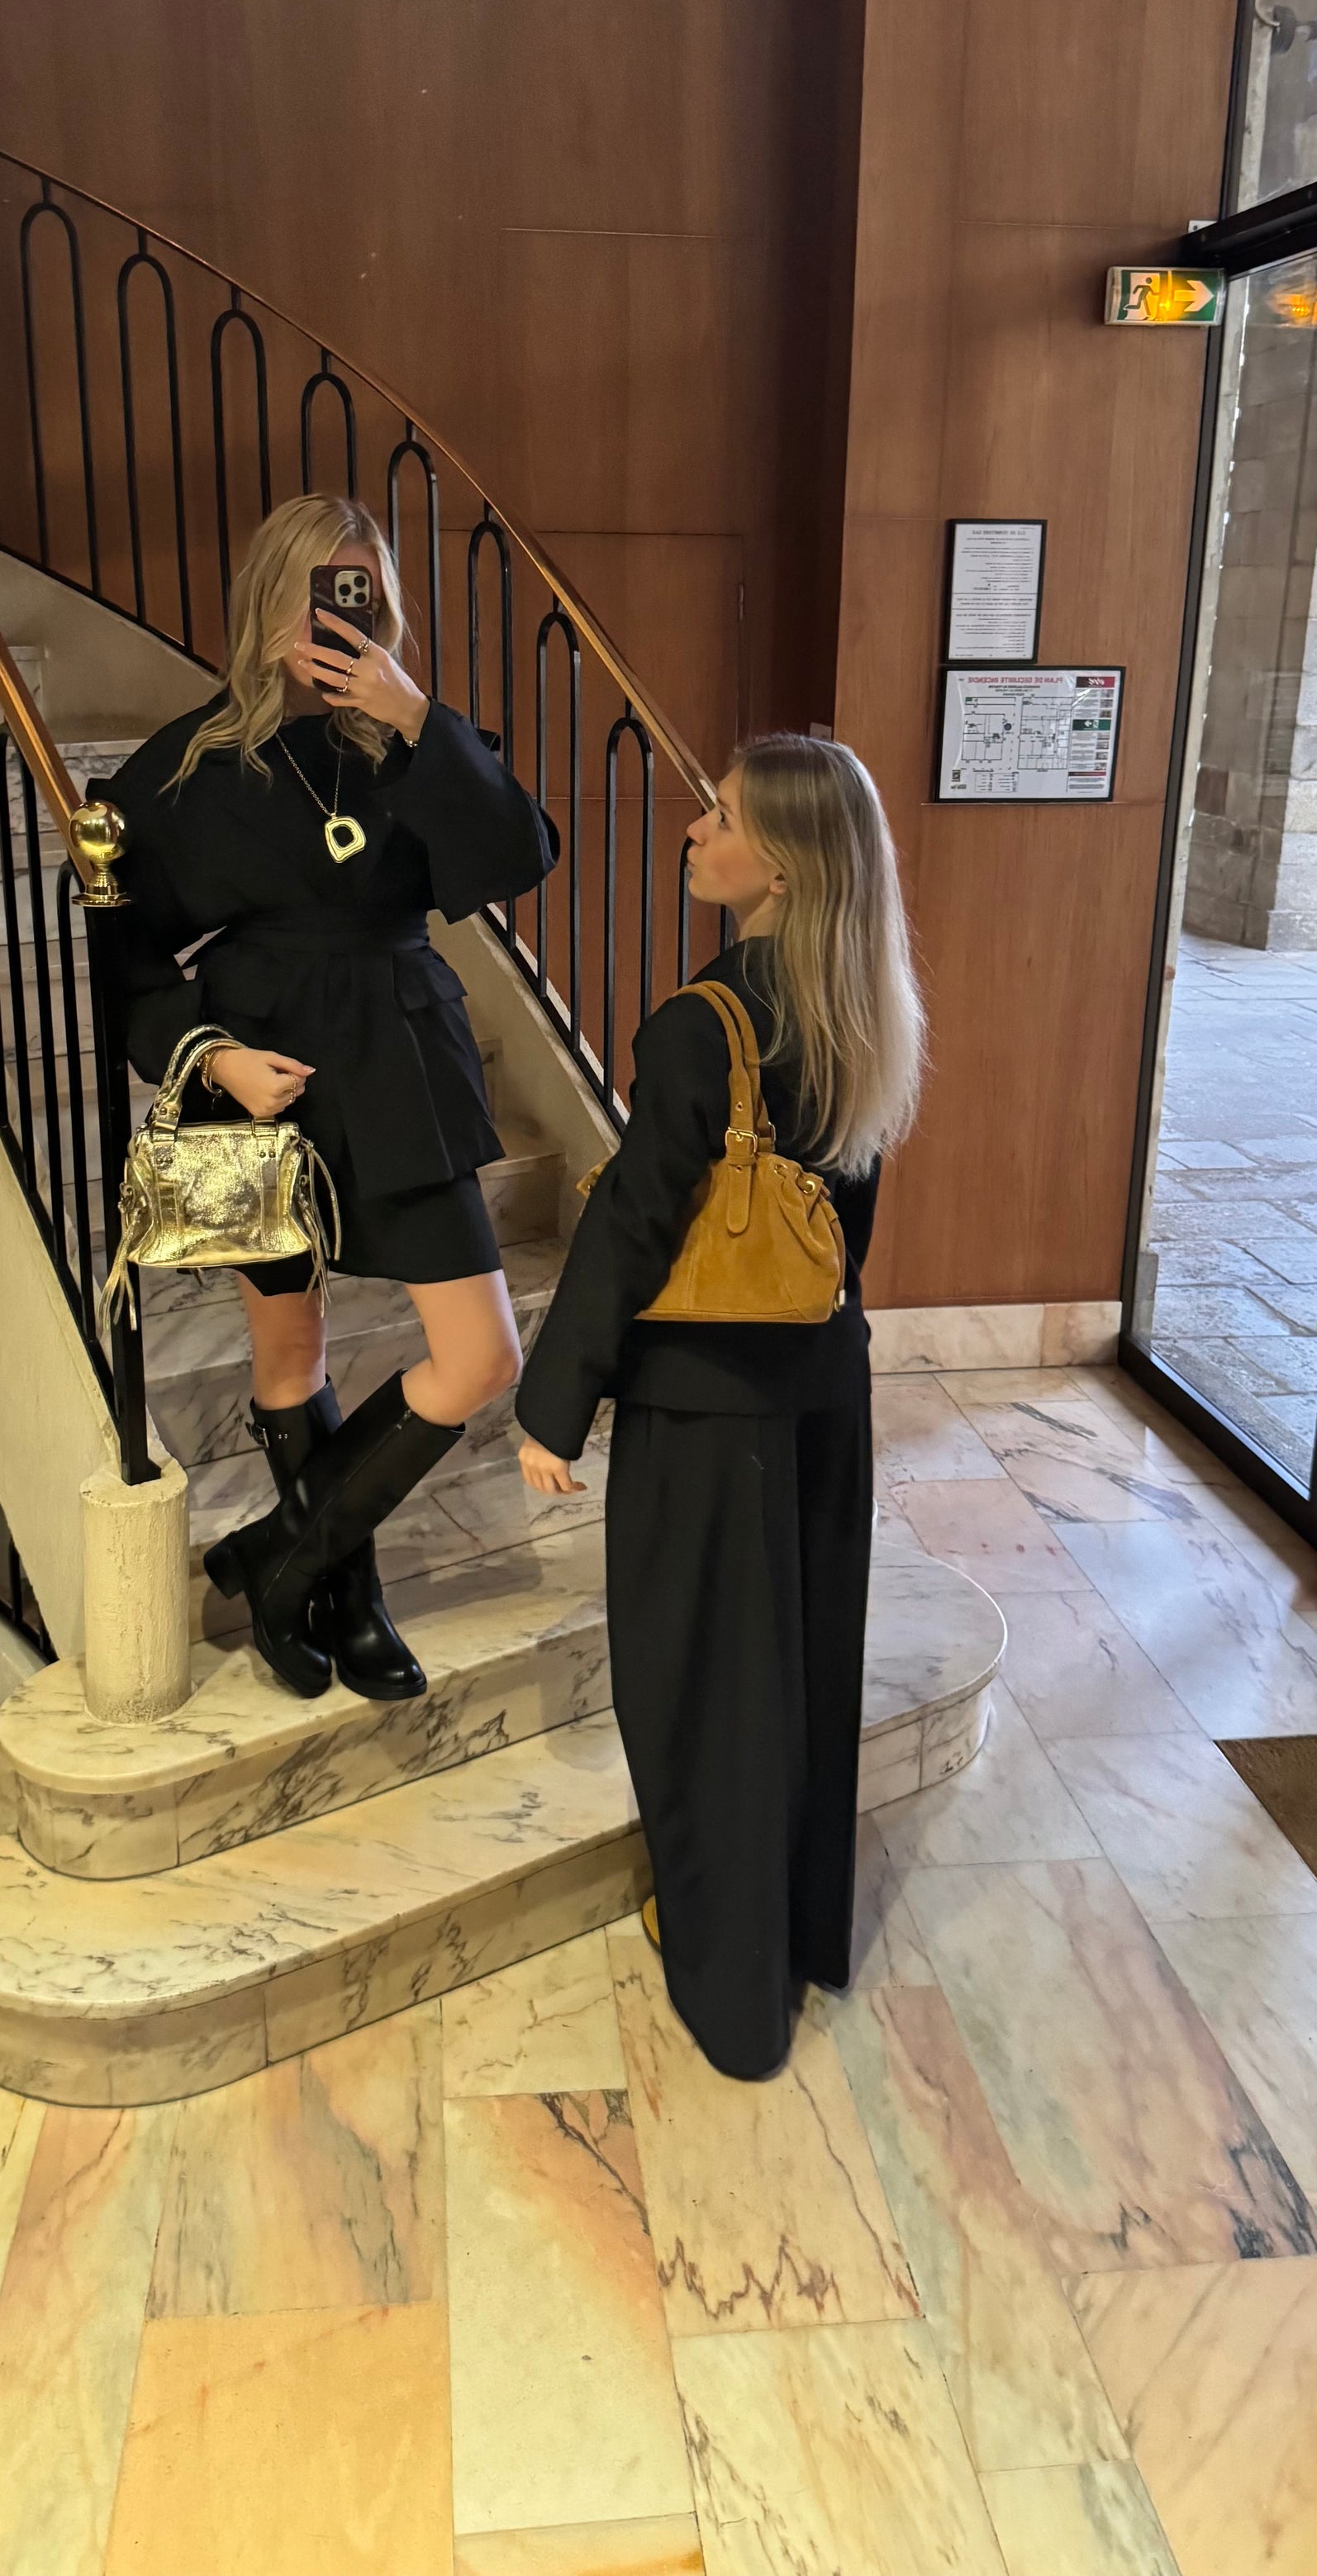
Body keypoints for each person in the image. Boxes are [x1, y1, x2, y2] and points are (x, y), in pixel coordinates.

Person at [93, 495, 556, 1702]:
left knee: (479, 1356)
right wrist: (208, 1055)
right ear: (267, 600)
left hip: (400, 1059)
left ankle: (283, 1560)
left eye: (361, 593)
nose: (337, 617)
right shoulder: (187, 767)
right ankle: (350, 1599)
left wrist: (413, 716)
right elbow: (123, 959)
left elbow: (519, 856)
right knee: (289, 1350)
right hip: (257, 1076)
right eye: (315, 592)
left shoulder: (414, 743)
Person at [514, 735, 923, 2079]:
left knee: (700, 1692)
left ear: (785, 865)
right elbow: (841, 1233)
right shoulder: (863, 1007)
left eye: (727, 817)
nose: (696, 830)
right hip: (824, 1396)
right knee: (801, 1677)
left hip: (704, 1413)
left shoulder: (706, 1023)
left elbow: (636, 1221)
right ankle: (796, 1938)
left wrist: (553, 1403)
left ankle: (732, 1998)